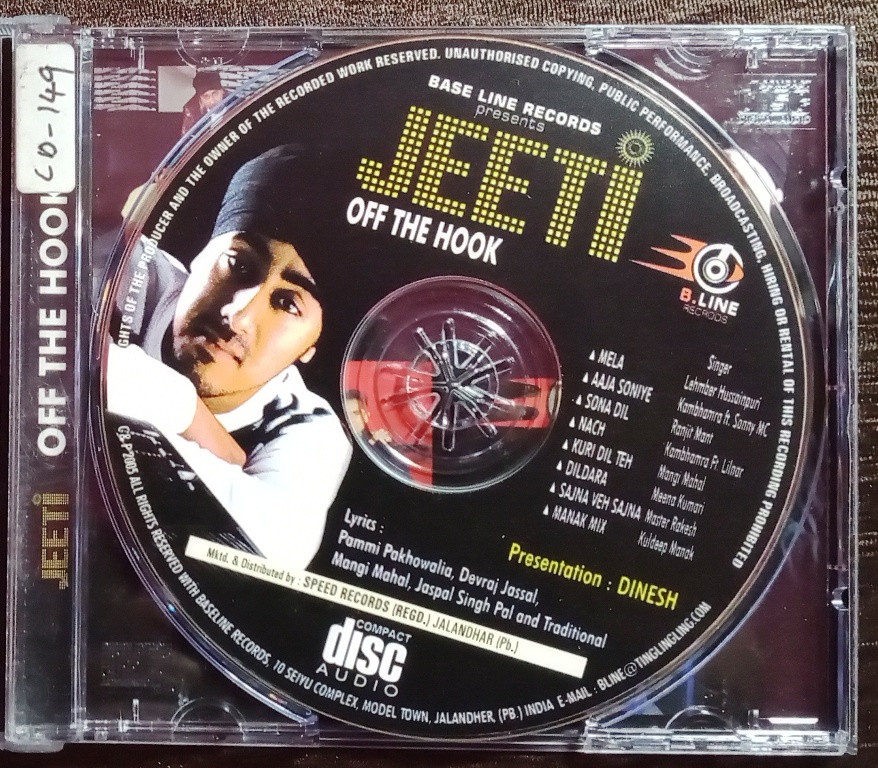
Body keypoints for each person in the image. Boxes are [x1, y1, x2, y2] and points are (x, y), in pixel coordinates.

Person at [106, 145, 351, 570]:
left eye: (288, 303)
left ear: (311, 345)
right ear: (201, 254)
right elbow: (40, 353)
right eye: (238, 265)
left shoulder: (309, 430)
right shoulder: (114, 264)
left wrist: (124, 381)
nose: (238, 315)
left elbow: (278, 548)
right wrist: (180, 407)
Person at [181, 69, 227, 136]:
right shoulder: (193, 115)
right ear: (201, 99)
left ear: (222, 91)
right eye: (206, 96)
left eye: (215, 94)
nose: (212, 101)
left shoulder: (237, 104)